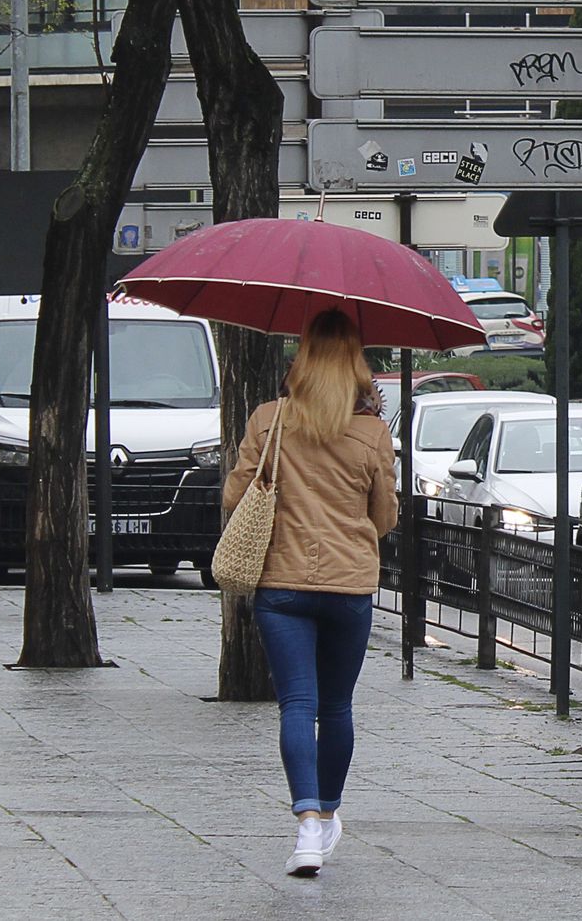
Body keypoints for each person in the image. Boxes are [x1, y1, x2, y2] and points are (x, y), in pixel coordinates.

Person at [224, 309, 397, 879]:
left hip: (282, 585)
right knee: (337, 706)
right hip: (349, 587)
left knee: (296, 704)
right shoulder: (372, 433)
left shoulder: (269, 420)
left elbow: (234, 498)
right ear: (355, 362)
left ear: (300, 356)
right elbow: (384, 518)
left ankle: (305, 828)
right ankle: (327, 814)